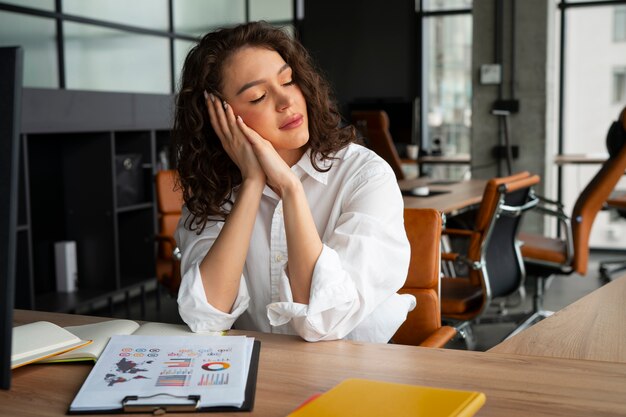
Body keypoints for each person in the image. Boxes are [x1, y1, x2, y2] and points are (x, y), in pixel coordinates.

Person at [173, 21, 415, 343]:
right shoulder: (214, 192)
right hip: (262, 373)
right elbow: (206, 318)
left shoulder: (365, 175)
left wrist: (290, 189)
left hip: (360, 375)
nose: (285, 101)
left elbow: (324, 321)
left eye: (288, 81)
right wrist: (252, 183)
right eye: (258, 97)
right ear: (219, 119)